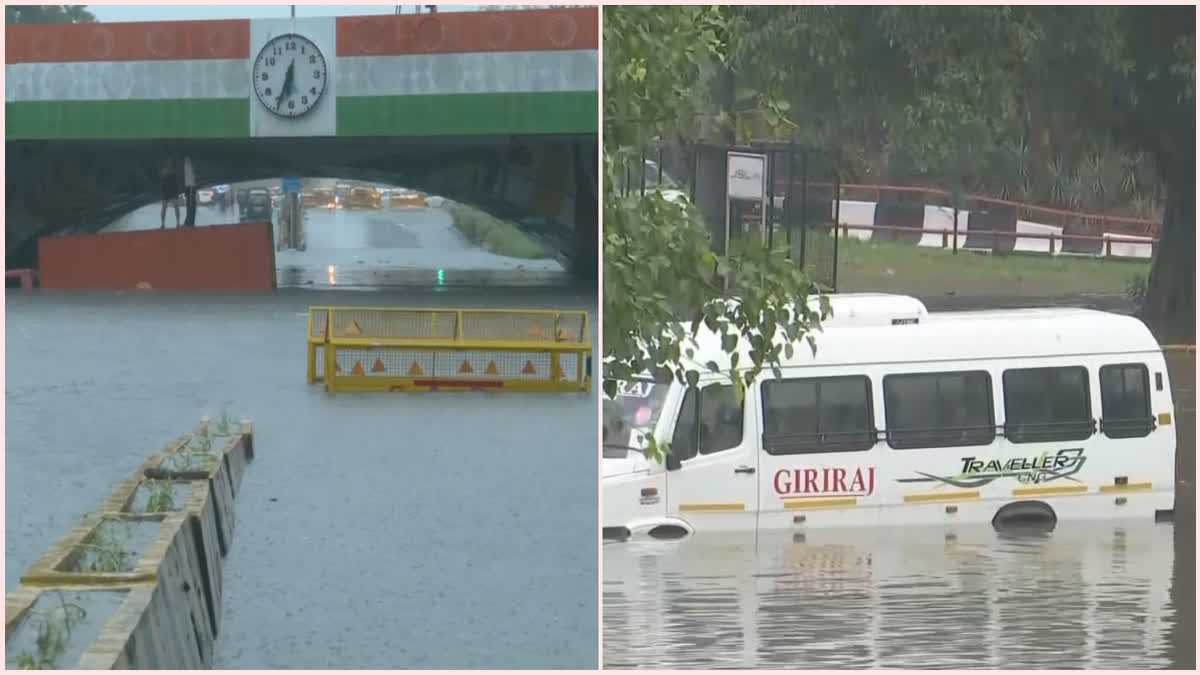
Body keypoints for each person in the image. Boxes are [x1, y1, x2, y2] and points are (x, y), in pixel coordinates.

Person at [160, 158, 180, 229]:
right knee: (164, 207)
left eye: (170, 162)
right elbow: (163, 175)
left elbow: (174, 174)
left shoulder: (174, 170)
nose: (169, 163)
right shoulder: (164, 170)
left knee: (176, 206)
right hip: (166, 190)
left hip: (173, 190)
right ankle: (162, 224)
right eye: (168, 162)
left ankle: (178, 223)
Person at [182, 155, 197, 227]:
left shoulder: (188, 161)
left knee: (190, 204)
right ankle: (189, 221)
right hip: (189, 185)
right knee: (189, 204)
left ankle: (190, 222)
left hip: (190, 185)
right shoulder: (186, 161)